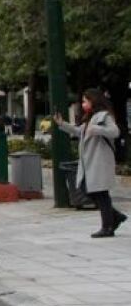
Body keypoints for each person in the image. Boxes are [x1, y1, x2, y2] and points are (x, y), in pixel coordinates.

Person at [53, 89, 126, 238]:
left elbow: (115, 132)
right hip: (90, 162)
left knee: (101, 194)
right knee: (87, 189)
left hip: (100, 161)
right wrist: (62, 124)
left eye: (85, 101)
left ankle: (107, 227)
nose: (83, 104)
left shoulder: (104, 116)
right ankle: (115, 217)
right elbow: (79, 131)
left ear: (94, 101)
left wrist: (98, 129)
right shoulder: (90, 117)